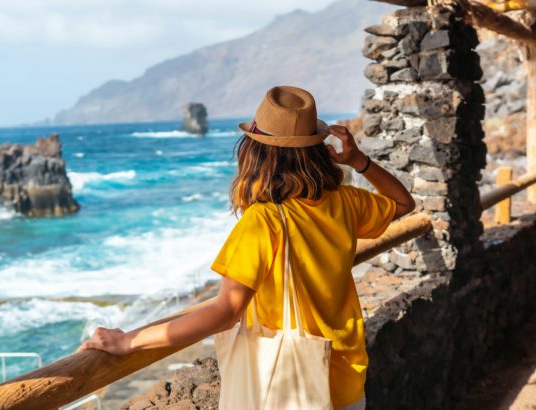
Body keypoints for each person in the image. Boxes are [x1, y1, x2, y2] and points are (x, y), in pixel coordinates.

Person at [78, 85, 416, 409]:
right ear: (316, 150)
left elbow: (224, 313)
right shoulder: (345, 202)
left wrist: (128, 341)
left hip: (290, 384)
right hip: (344, 374)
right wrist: (358, 161)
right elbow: (403, 204)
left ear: (255, 153)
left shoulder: (264, 222)